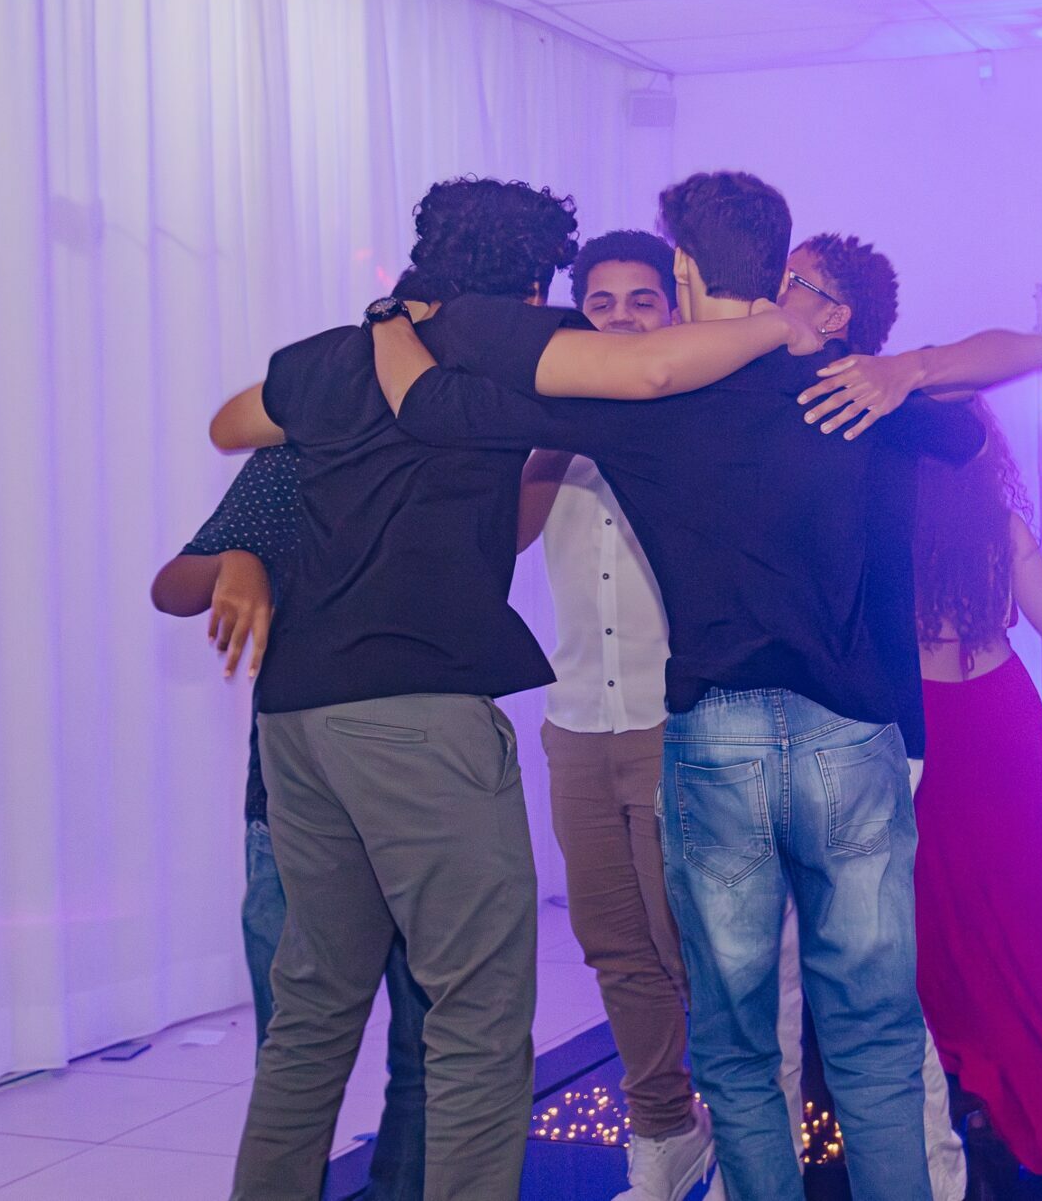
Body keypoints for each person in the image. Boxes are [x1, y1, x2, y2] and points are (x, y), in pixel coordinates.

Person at [371, 171, 986, 1201]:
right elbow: (969, 426)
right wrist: (906, 367)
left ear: (685, 273)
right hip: (846, 728)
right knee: (870, 1027)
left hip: (713, 727)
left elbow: (437, 402)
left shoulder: (641, 403)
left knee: (738, 1035)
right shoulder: (846, 378)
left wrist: (397, 317)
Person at [210, 175, 813, 1201]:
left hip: (297, 716)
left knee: (312, 1010)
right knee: (479, 1018)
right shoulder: (498, 342)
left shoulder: (335, 353)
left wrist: (345, 418)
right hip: (418, 710)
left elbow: (233, 423)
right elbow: (653, 368)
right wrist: (778, 324)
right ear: (534, 287)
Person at [779, 231, 1042, 1201]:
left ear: (838, 312)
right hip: (830, 715)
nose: (774, 293)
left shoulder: (897, 411)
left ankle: (932, 1143)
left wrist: (907, 370)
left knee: (904, 937)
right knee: (848, 947)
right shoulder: (768, 397)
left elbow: (1032, 347)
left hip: (907, 724)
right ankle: (849, 1134)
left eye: (793, 281)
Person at [151, 448, 431, 1200]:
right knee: (295, 1058)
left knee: (432, 1052)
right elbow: (172, 586)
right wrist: (236, 558)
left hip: (427, 808)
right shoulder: (295, 458)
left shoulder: (450, 448)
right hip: (292, 812)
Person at [513, 229, 719, 1201]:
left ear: (672, 312)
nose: (624, 318)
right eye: (603, 303)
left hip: (676, 719)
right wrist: (558, 428)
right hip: (576, 720)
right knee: (615, 943)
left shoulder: (699, 417)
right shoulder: (551, 425)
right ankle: (664, 1130)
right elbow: (509, 538)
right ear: (579, 314)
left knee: (696, 946)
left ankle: (746, 1130)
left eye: (644, 300)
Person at [908, 396, 1042, 1176]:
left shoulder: (886, 523)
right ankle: (1029, 1097)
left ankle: (954, 1082)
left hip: (922, 724)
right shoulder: (1002, 527)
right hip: (998, 720)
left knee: (933, 910)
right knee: (1023, 914)